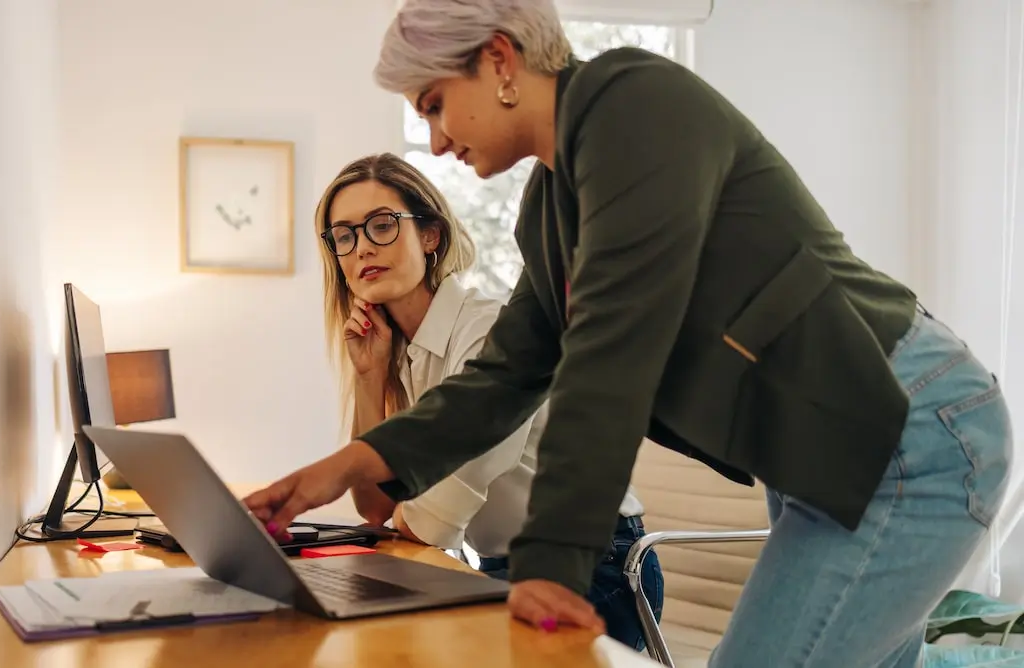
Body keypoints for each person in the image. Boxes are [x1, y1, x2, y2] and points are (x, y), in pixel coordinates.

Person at [246, 1, 1014, 665]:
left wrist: (554, 562)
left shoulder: (634, 107)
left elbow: (613, 346)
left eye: (435, 103)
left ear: (501, 61)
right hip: (828, 448)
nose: (437, 139)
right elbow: (506, 376)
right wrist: (340, 468)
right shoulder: (548, 207)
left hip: (911, 432)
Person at [313, 152, 663, 649]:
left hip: (597, 572)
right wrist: (369, 379)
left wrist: (402, 510)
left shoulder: (490, 333)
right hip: (501, 571)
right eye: (345, 235)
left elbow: (432, 518)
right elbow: (375, 506)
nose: (363, 248)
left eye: (382, 226)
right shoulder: (402, 354)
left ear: (430, 235)